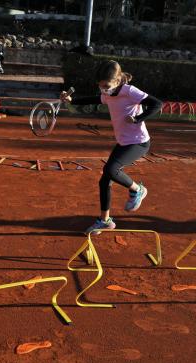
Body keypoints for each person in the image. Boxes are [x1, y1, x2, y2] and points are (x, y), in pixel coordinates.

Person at [61, 60, 163, 235]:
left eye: (106, 86)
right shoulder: (108, 93)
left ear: (117, 81)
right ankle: (105, 221)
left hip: (138, 142)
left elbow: (157, 104)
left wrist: (138, 119)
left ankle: (138, 190)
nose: (103, 90)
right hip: (124, 142)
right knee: (105, 180)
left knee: (110, 169)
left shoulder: (129, 91)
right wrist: (72, 100)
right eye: (101, 86)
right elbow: (94, 99)